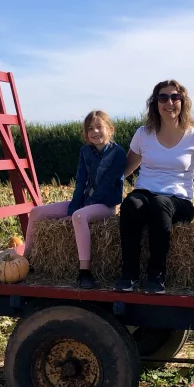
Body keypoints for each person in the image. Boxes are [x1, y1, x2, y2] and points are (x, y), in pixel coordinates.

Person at [116, 80, 194, 294]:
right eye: (163, 97)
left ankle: (156, 274)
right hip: (145, 194)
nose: (169, 102)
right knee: (130, 204)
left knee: (160, 204)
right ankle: (128, 273)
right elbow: (126, 168)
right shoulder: (143, 134)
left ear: (183, 103)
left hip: (179, 200)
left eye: (175, 97)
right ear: (155, 103)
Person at [24, 110, 125, 289]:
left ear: (110, 129)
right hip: (85, 201)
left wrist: (78, 212)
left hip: (106, 204)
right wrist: (73, 208)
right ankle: (27, 260)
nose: (95, 131)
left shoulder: (118, 153)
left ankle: (84, 272)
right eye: (90, 128)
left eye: (99, 127)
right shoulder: (85, 151)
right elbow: (80, 182)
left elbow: (107, 184)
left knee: (79, 217)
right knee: (36, 212)